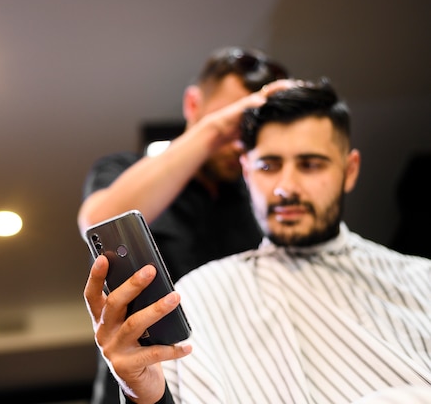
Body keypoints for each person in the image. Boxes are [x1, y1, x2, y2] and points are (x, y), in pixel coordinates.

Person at [83, 79, 431, 404]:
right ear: (246, 172)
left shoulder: (421, 281)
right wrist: (146, 394)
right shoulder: (198, 295)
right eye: (269, 166)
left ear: (349, 170)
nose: (286, 187)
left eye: (311, 165)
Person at [77, 46, 290, 404]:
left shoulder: (256, 196)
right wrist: (216, 130)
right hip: (140, 387)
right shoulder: (124, 169)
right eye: (233, 116)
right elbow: (98, 222)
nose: (239, 138)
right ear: (194, 106)